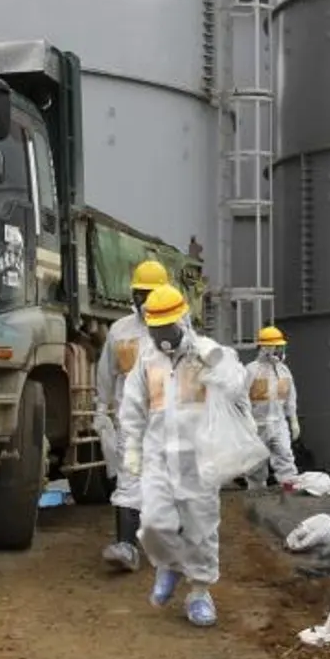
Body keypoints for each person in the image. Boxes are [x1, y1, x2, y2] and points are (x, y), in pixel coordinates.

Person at [117, 284, 248, 628]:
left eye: (167, 328)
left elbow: (237, 383)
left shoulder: (206, 351)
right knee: (154, 523)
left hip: (198, 457)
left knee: (201, 528)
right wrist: (132, 447)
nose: (162, 336)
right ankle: (169, 566)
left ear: (184, 321)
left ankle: (200, 592)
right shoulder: (147, 360)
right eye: (156, 329)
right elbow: (132, 407)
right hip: (159, 455)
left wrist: (218, 368)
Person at [94, 258, 168, 572]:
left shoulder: (178, 329)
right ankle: (127, 546)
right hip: (132, 421)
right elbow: (106, 372)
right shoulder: (120, 331)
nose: (145, 300)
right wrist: (101, 408)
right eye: (141, 293)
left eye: (151, 294)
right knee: (128, 481)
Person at [244, 326, 300, 488]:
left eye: (280, 346)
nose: (279, 349)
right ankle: (256, 498)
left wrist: (294, 420)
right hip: (256, 426)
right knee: (256, 466)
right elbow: (241, 398)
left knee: (285, 458)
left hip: (278, 424)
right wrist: (248, 420)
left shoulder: (283, 371)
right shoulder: (251, 371)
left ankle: (289, 494)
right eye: (276, 346)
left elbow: (290, 397)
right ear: (265, 347)